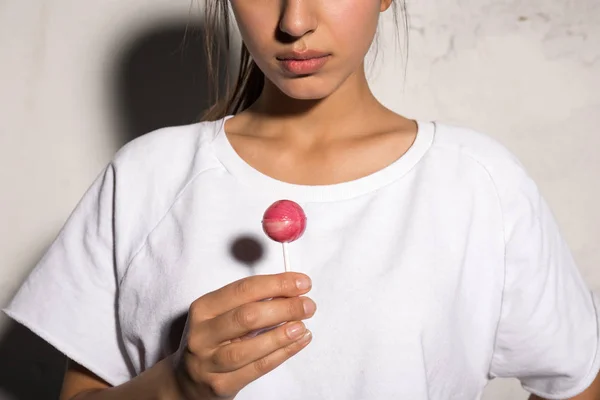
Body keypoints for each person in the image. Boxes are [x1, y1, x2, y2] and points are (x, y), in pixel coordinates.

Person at [3, 0, 600, 399]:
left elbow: (577, 383)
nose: (293, 22)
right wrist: (176, 387)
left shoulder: (478, 183)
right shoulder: (148, 175)